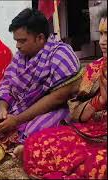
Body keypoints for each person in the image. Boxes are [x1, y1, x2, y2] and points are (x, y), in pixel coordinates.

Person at [23, 9, 107, 179]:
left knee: (95, 167)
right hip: (95, 131)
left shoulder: (60, 53)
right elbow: (75, 111)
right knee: (35, 144)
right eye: (102, 34)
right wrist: (101, 100)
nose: (103, 41)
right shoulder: (95, 69)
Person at [0, 8, 81, 147]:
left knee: (36, 130)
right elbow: (7, 85)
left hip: (50, 111)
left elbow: (57, 98)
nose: (17, 46)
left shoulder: (61, 54)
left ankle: (19, 138)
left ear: (40, 38)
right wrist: (2, 112)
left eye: (22, 41)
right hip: (17, 108)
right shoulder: (20, 56)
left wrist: (17, 120)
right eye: (16, 41)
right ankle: (10, 131)